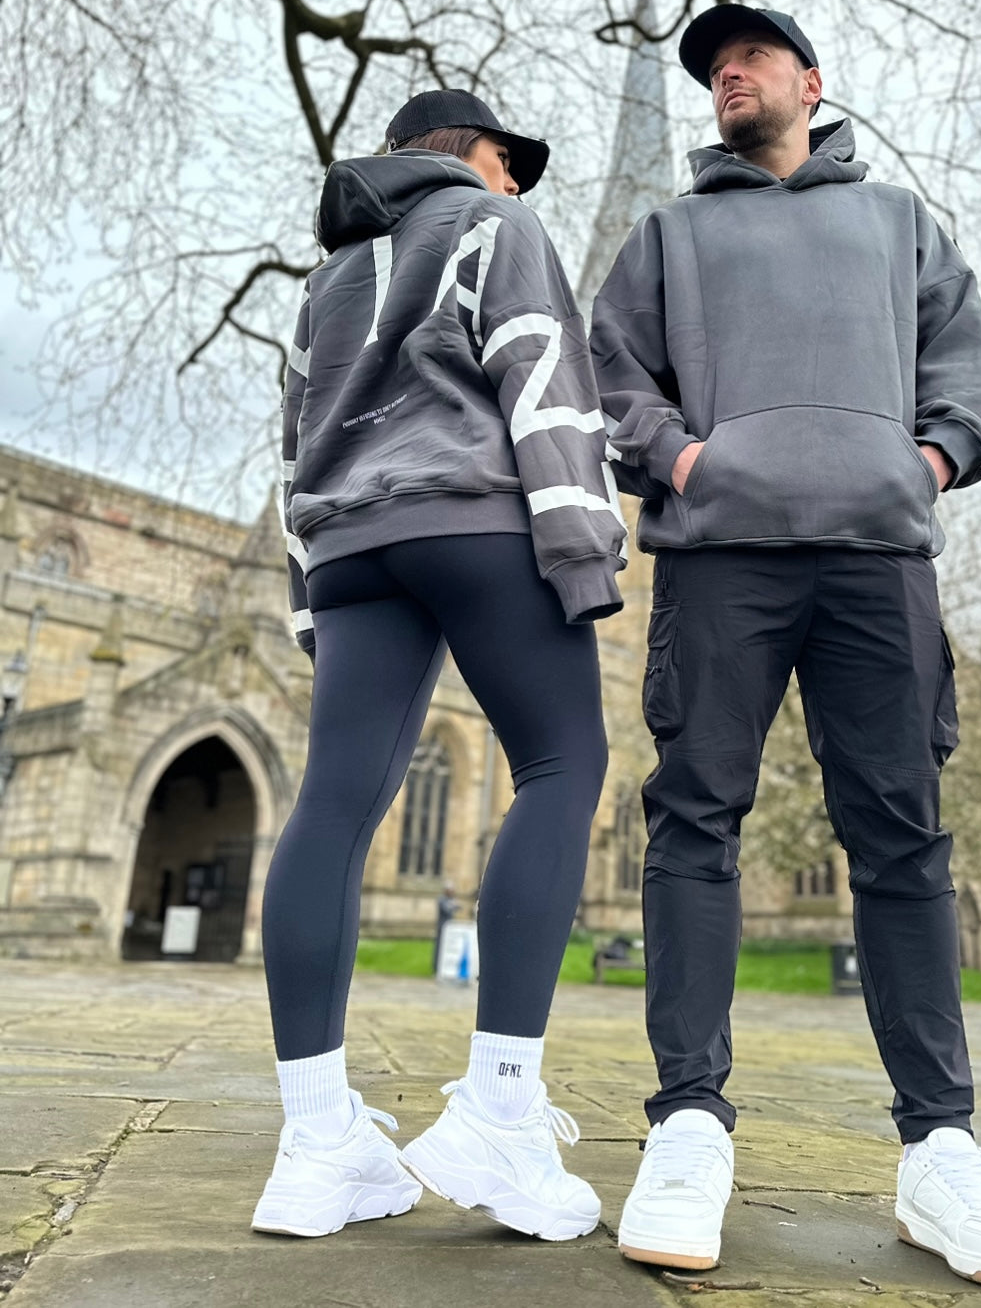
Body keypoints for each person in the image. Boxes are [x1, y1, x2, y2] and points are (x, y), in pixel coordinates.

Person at [591, 6, 981, 1291]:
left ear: (811, 80)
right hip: (718, 558)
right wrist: (688, 458)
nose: (727, 74)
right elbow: (611, 375)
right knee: (694, 818)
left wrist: (918, 461)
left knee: (902, 831)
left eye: (749, 57)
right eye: (711, 67)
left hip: (877, 562)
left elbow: (966, 371)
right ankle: (689, 1118)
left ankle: (941, 1151)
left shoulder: (900, 223)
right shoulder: (669, 235)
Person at [252, 89, 626, 1243]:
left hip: (354, 542)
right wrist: (582, 545)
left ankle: (316, 1142)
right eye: (511, 162)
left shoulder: (331, 278)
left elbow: (295, 438)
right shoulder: (491, 227)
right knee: (564, 763)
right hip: (474, 518)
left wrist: (314, 595)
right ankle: (501, 1112)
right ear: (472, 155)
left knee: (330, 805)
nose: (518, 183)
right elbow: (541, 375)